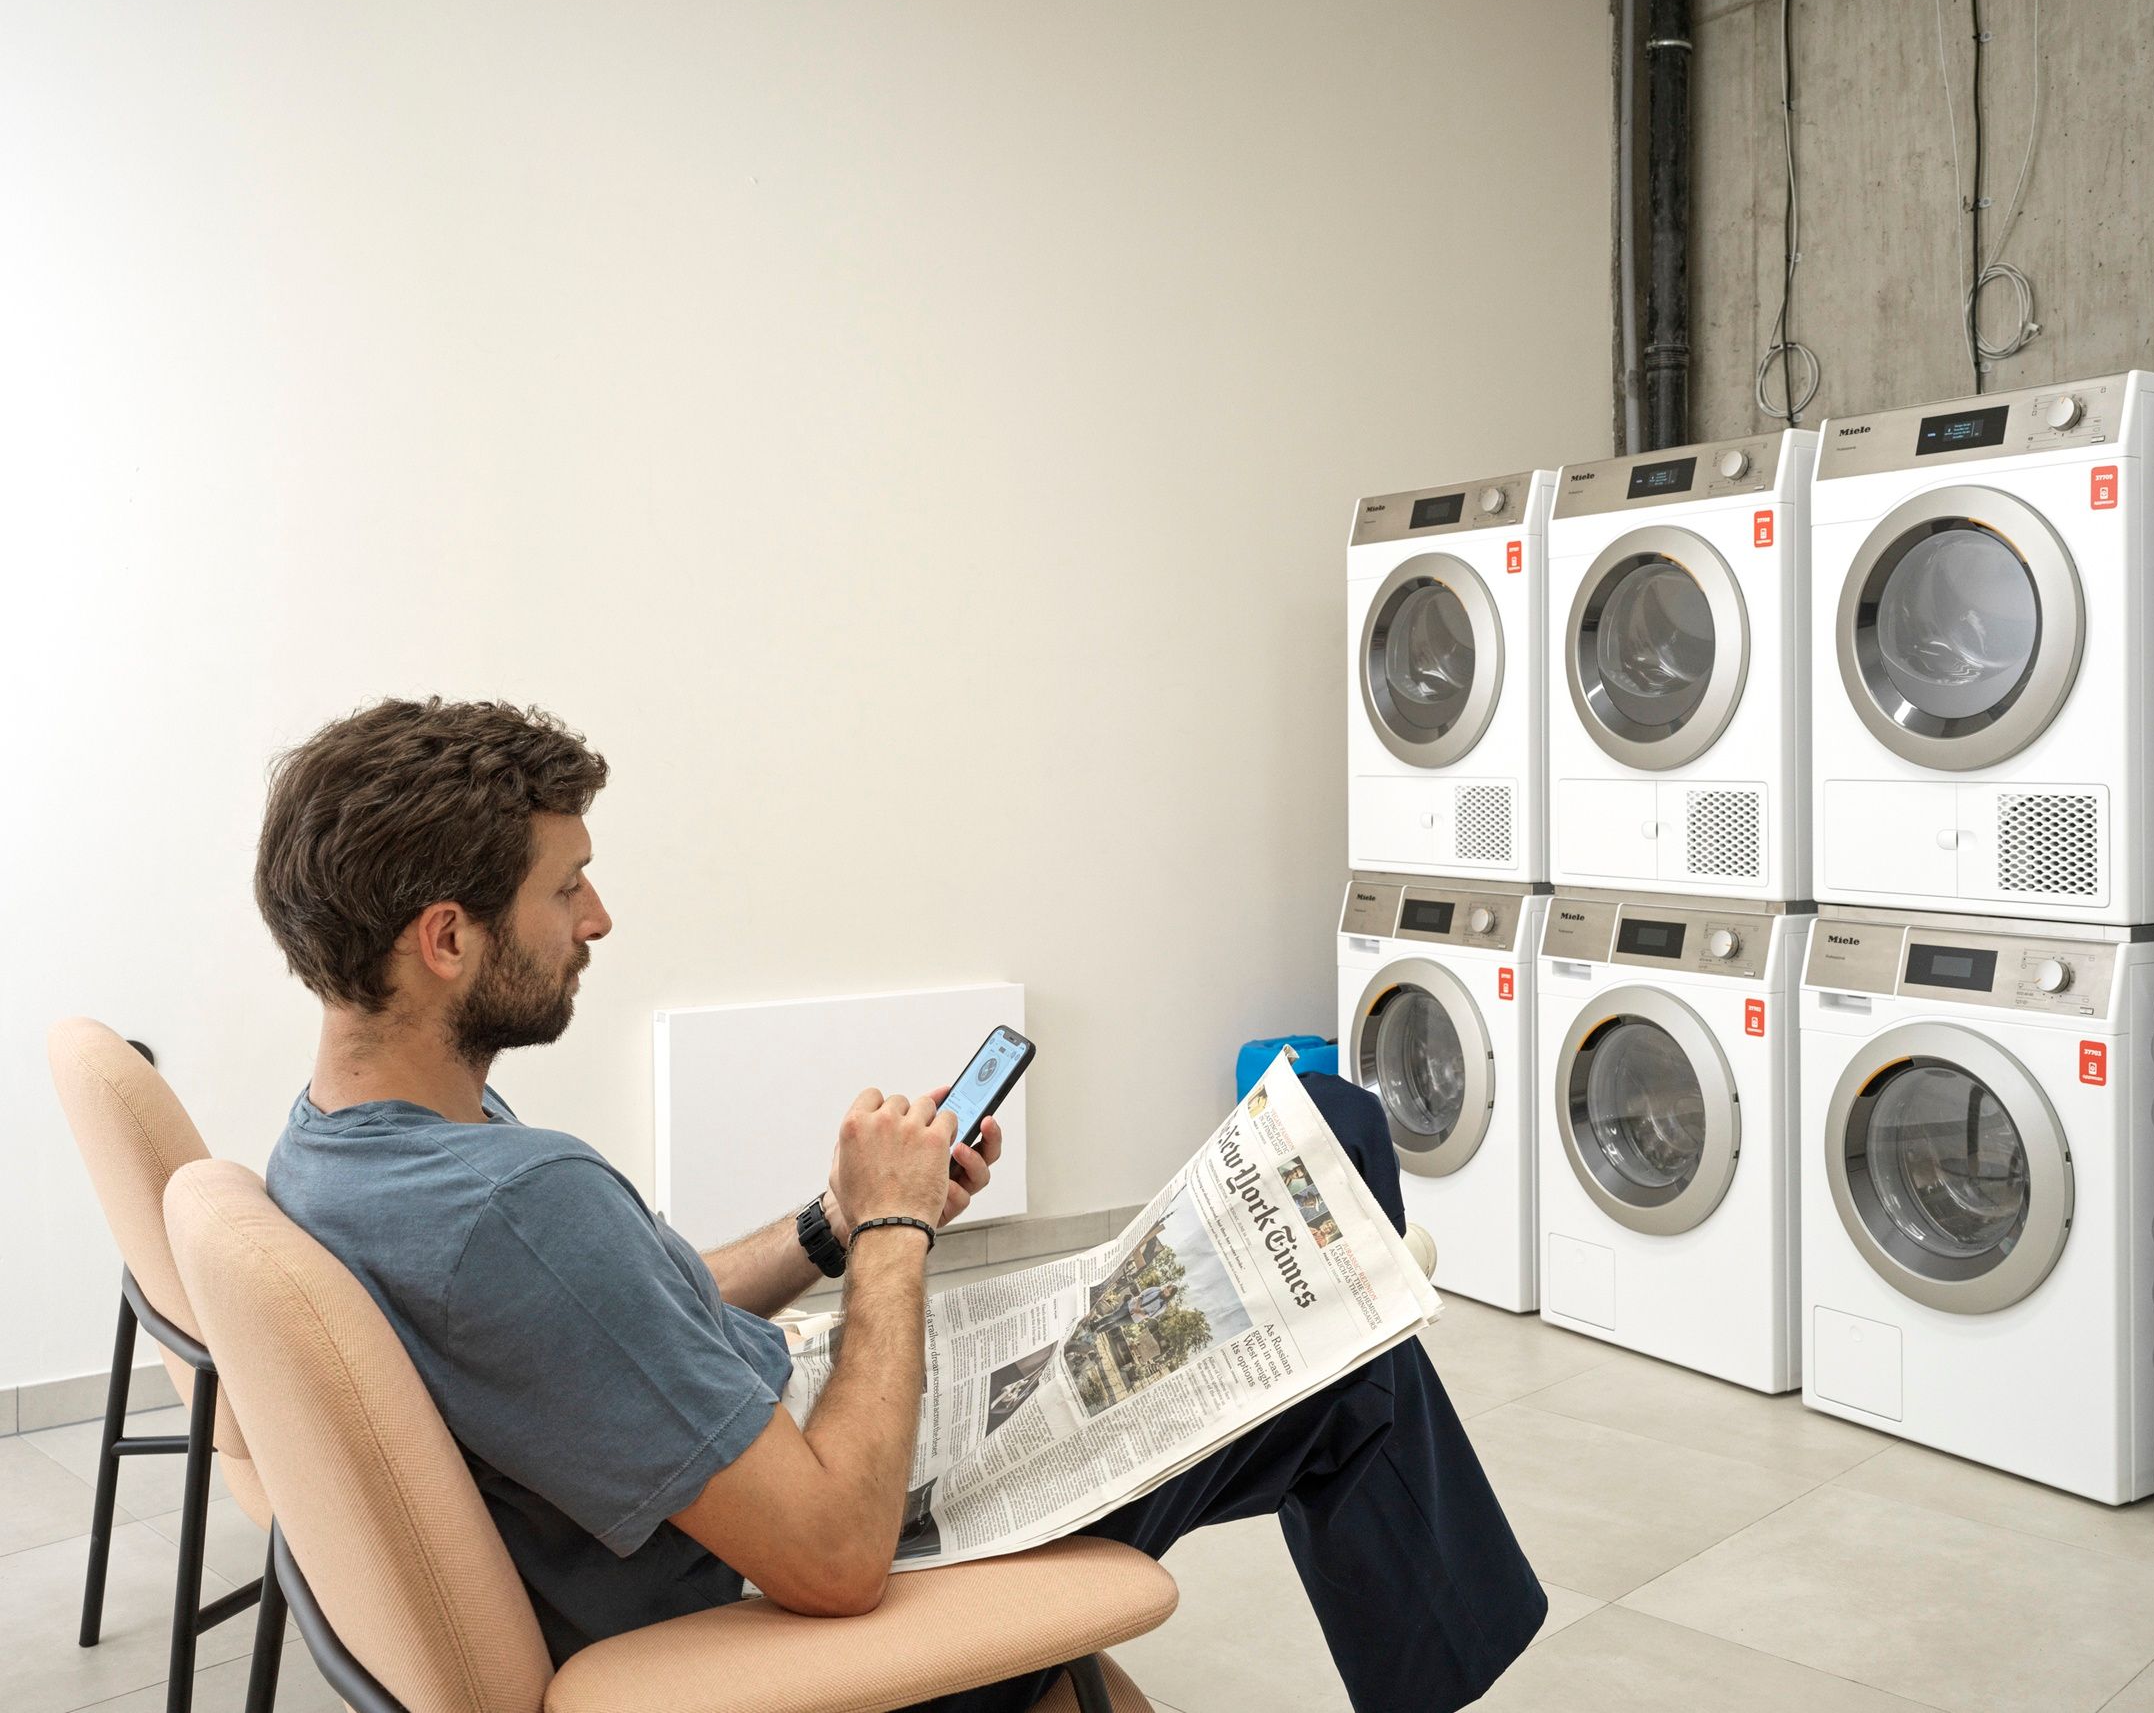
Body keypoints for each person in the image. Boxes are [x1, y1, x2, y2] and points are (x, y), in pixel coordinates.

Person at [257, 697, 1546, 1712]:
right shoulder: (516, 1203)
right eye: (562, 887)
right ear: (445, 938)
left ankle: (1349, 1281)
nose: (599, 916)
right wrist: (892, 1236)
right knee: (1356, 1357)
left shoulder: (345, 1150)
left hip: (781, 1456)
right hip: (804, 1576)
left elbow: (618, 1322)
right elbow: (833, 1557)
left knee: (1333, 1148)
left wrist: (830, 1219)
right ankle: (1363, 1308)